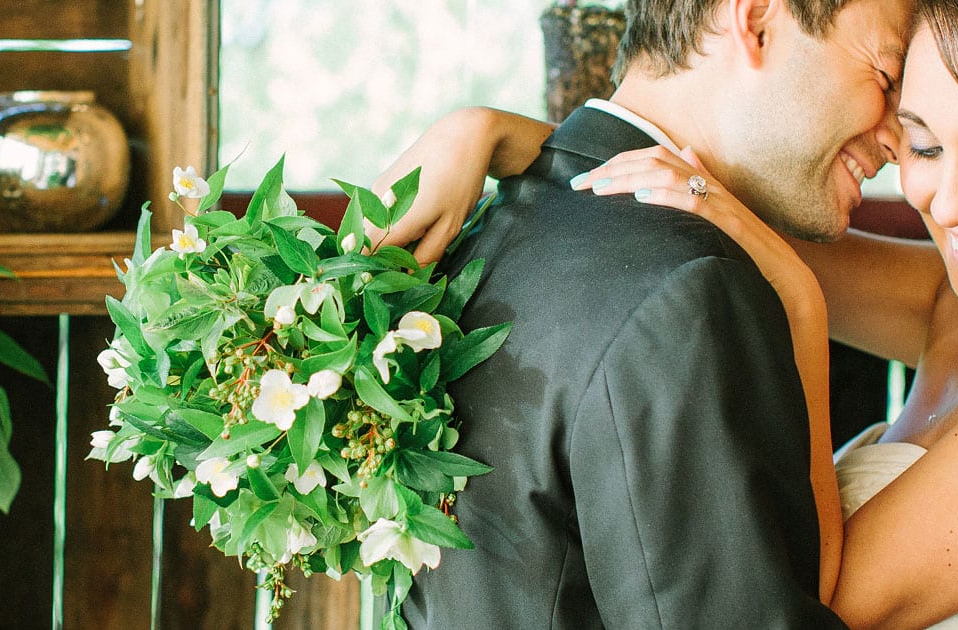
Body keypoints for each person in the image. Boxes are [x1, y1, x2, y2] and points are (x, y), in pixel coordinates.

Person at [370, 0, 958, 627]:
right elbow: (689, 193)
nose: (948, 202)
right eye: (922, 145)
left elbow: (814, 599)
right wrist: (487, 132)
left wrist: (797, 303)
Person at [365, 0, 916, 626]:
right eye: (886, 75)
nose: (899, 139)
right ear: (758, 20)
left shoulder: (484, 232)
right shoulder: (689, 294)